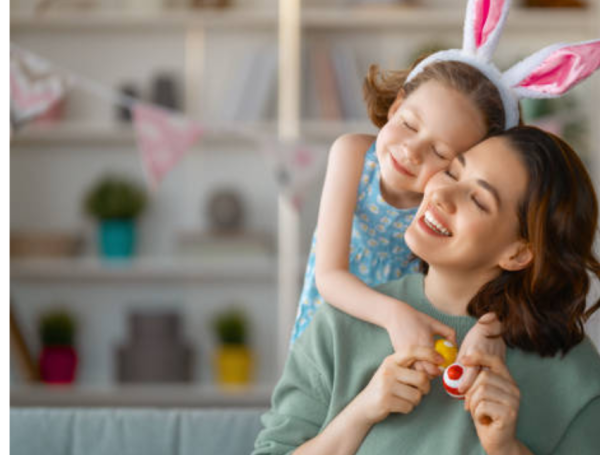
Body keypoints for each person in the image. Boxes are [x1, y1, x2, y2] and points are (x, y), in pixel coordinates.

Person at [290, 0, 600, 384]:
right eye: (409, 123)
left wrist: (491, 330)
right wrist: (394, 314)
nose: (411, 151)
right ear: (397, 103)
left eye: (441, 153)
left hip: (411, 336)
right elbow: (329, 277)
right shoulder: (353, 153)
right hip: (337, 320)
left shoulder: (444, 202)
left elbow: (480, 278)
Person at [254, 126, 600, 455]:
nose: (441, 194)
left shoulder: (572, 371)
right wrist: (362, 410)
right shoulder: (341, 324)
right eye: (451, 171)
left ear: (518, 252)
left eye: (478, 200)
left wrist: (505, 448)